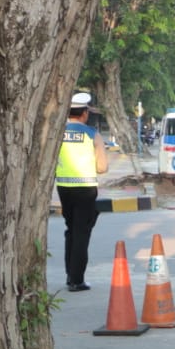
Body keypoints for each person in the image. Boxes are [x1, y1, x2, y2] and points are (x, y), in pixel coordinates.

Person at [56, 91, 108, 292]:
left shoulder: (58, 132)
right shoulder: (92, 135)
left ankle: (70, 275)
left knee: (70, 230)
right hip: (86, 189)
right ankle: (77, 280)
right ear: (85, 113)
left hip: (63, 188)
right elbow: (102, 167)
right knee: (81, 234)